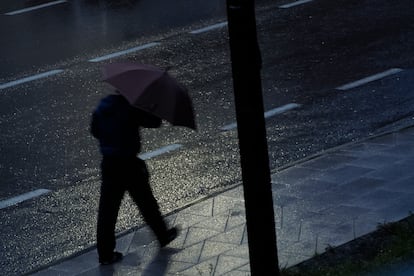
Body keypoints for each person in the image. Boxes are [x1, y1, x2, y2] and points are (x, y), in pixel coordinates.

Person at [91, 93, 178, 265]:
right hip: (129, 165)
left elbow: (94, 131)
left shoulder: (103, 106)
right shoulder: (131, 107)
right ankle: (163, 235)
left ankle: (105, 254)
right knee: (146, 202)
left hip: (109, 164)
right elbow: (154, 122)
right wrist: (153, 105)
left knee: (107, 211)